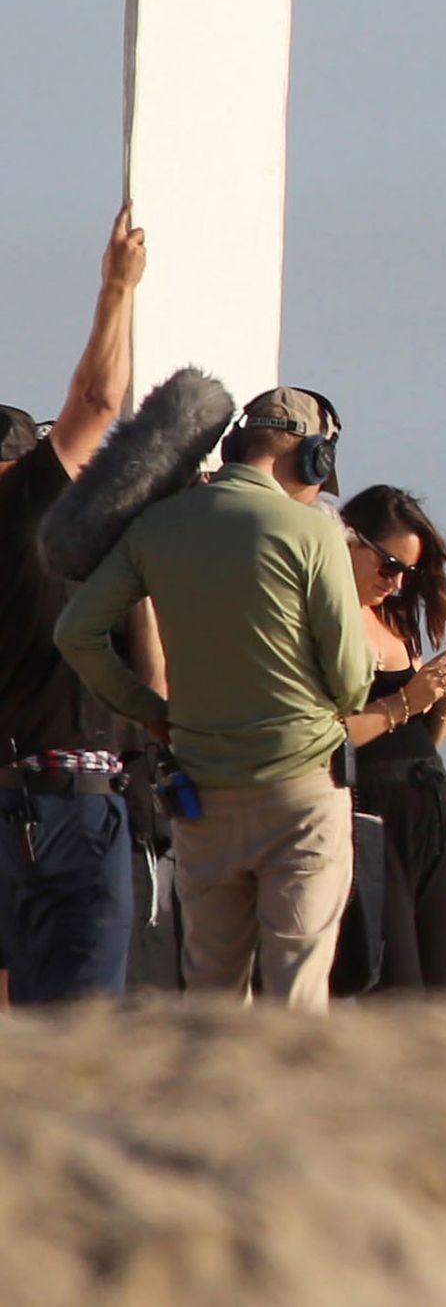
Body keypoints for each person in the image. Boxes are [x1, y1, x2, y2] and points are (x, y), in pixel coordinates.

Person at [56, 386, 374, 1012]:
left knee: (211, 995)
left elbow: (76, 633)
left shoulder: (157, 528)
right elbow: (351, 682)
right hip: (301, 792)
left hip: (202, 795)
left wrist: (150, 712)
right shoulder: (312, 530)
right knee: (297, 992)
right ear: (311, 455)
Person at [0, 206, 148, 1003]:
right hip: (65, 804)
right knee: (87, 1024)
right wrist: (116, 289)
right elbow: (98, 397)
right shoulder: (23, 506)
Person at [336, 485, 446, 996]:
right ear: (350, 542)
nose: (395, 583)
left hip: (431, 809)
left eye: (407, 573)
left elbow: (421, 740)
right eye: (388, 565)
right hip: (369, 816)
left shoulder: (394, 619)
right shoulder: (326, 622)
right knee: (394, 994)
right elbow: (324, 740)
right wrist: (408, 700)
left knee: (436, 995)